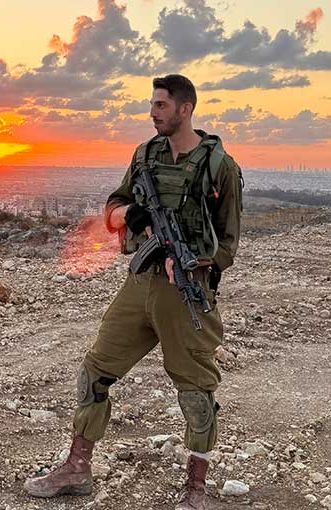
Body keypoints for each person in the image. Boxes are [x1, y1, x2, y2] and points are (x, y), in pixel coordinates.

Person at [24, 74, 243, 510]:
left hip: (185, 294)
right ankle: (77, 468)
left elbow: (228, 244)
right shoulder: (145, 155)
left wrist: (190, 262)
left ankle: (195, 490)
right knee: (95, 371)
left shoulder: (221, 167)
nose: (152, 112)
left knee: (197, 390)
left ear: (185, 109)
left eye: (161, 105)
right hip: (139, 284)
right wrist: (135, 215)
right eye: (153, 104)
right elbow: (112, 210)